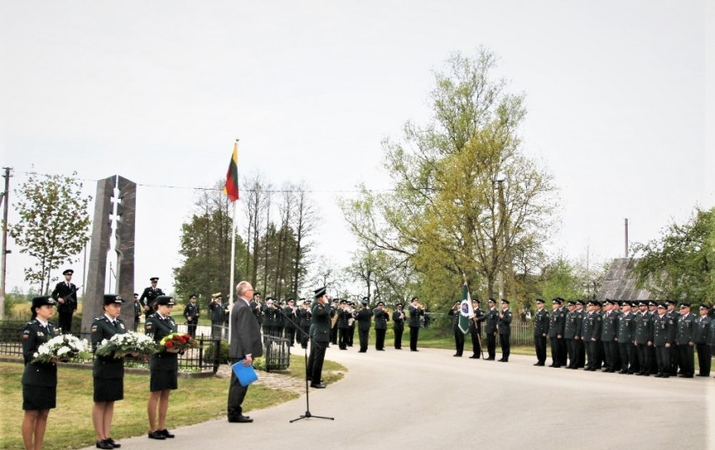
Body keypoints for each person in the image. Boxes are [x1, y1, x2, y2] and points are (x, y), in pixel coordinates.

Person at [90, 294, 128, 449]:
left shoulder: (121, 324)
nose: (118, 309)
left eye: (119, 306)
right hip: (104, 368)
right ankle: (100, 437)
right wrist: (114, 350)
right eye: (115, 306)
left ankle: (107, 435)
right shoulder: (99, 324)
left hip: (116, 368)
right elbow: (97, 348)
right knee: (101, 402)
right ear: (106, 307)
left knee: (111, 401)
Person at [21, 296, 58, 450]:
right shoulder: (31, 328)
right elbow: (28, 353)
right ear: (37, 309)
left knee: (44, 414)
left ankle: (38, 447)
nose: (50, 309)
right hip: (34, 377)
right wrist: (46, 357)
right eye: (47, 307)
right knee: (32, 414)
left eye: (51, 307)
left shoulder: (52, 328)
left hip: (49, 376)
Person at [227, 281, 264, 423]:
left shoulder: (241, 305)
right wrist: (248, 353)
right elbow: (244, 332)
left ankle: (234, 411)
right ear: (244, 292)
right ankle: (234, 412)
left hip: (240, 350)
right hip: (241, 351)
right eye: (251, 289)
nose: (253, 292)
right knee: (240, 383)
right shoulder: (242, 307)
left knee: (239, 382)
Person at [145, 295, 180, 440]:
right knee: (156, 393)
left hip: (171, 361)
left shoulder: (170, 320)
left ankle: (162, 426)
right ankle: (153, 428)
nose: (170, 309)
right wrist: (165, 349)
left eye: (171, 306)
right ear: (159, 306)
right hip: (159, 361)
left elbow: (176, 337)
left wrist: (181, 347)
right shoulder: (152, 320)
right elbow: (149, 343)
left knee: (166, 394)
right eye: (167, 306)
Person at [307, 286, 330, 388]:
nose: (326, 297)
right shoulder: (318, 306)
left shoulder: (318, 305)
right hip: (320, 335)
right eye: (324, 296)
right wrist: (327, 303)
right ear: (320, 297)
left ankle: (311, 375)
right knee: (318, 359)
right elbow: (325, 312)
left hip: (319, 334)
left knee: (314, 356)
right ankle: (315, 381)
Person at [51, 268, 78, 333]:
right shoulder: (60, 285)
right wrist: (58, 299)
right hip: (62, 307)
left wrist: (75, 307)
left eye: (70, 275)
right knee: (61, 325)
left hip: (70, 308)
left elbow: (74, 297)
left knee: (68, 325)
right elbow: (53, 294)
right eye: (68, 275)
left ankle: (68, 336)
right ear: (65, 276)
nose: (69, 276)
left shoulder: (73, 286)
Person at [653, 303, 675, 378]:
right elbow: (655, 331)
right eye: (658, 309)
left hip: (665, 341)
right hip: (658, 340)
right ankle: (660, 371)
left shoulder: (668, 318)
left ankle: (666, 372)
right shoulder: (656, 318)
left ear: (665, 310)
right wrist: (655, 341)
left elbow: (670, 331)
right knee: (659, 358)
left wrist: (669, 341)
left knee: (665, 358)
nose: (659, 310)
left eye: (661, 309)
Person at [675, 303, 695, 378]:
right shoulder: (680, 318)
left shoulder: (692, 317)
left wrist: (692, 340)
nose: (681, 310)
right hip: (681, 340)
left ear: (688, 309)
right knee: (683, 357)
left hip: (688, 341)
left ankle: (690, 372)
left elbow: (694, 330)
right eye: (681, 309)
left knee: (689, 357)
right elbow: (678, 330)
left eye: (683, 308)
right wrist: (677, 339)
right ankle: (684, 371)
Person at [616, 301, 636, 374]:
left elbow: (634, 329)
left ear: (629, 307)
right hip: (621, 338)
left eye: (625, 305)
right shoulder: (621, 316)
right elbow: (619, 327)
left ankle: (631, 368)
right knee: (623, 354)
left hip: (629, 338)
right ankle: (624, 367)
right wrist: (618, 336)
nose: (623, 307)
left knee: (630, 354)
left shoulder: (632, 316)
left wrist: (633, 338)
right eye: (622, 306)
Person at [694, 304, 711, 377]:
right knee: (700, 357)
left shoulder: (709, 320)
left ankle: (706, 372)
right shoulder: (698, 319)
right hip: (699, 340)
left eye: (703, 310)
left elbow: (710, 332)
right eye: (700, 310)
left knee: (706, 357)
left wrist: (709, 341)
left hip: (706, 342)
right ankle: (701, 371)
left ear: (706, 311)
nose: (701, 311)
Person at [548, 298, 565, 367]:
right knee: (553, 349)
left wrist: (559, 333)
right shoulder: (552, 312)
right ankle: (554, 361)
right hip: (552, 333)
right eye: (553, 304)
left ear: (558, 305)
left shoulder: (560, 313)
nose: (553, 305)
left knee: (557, 349)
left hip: (557, 334)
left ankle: (558, 362)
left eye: (555, 304)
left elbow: (561, 324)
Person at [532, 298, 548, 366]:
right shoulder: (537, 312)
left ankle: (542, 360)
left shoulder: (545, 312)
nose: (538, 305)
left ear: (542, 304)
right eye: (537, 304)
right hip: (537, 332)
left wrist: (545, 332)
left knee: (542, 347)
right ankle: (539, 360)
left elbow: (546, 323)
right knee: (537, 347)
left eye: (539, 304)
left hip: (542, 332)